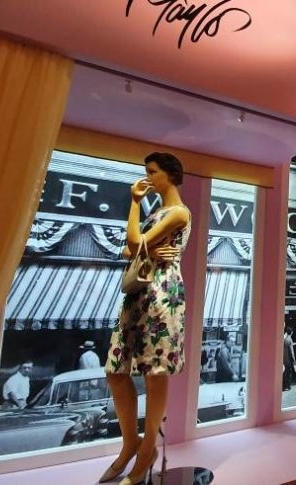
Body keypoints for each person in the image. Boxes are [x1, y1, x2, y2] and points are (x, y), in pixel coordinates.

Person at [102, 152, 191, 485]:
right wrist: (149, 249)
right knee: (115, 370)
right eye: (147, 172)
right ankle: (131, 443)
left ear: (170, 174)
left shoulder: (178, 212)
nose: (148, 178)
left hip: (162, 293)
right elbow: (128, 250)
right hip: (138, 291)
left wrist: (134, 203)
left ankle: (146, 450)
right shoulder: (157, 213)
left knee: (155, 373)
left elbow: (132, 242)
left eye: (153, 172)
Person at [282, 327, 296, 391]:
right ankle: (288, 386)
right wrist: (294, 361)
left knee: (284, 373)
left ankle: (284, 386)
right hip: (288, 360)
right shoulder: (289, 340)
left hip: (284, 359)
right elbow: (291, 352)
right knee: (288, 373)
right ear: (291, 333)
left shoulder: (284, 339)